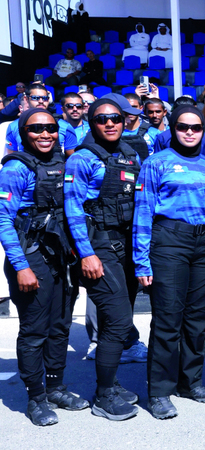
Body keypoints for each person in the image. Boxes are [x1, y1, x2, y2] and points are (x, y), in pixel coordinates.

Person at [0, 109, 87, 426]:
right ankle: (35, 398)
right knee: (35, 330)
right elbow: (3, 220)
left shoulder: (62, 164)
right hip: (31, 256)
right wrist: (21, 266)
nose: (45, 133)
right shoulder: (16, 167)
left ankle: (55, 387)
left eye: (51, 127)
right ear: (24, 133)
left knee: (61, 324)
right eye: (36, 128)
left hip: (61, 255)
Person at [132, 105, 205, 419]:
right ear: (172, 127)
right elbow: (143, 212)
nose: (190, 133)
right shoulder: (156, 163)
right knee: (168, 319)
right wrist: (141, 262)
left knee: (197, 319)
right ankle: (159, 391)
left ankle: (190, 381)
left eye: (196, 127)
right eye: (183, 127)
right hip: (169, 241)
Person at [65, 98, 142, 421]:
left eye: (115, 118)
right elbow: (72, 209)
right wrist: (86, 253)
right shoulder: (81, 159)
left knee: (121, 321)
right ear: (92, 122)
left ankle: (111, 381)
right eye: (102, 119)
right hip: (98, 247)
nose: (110, 124)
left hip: (126, 246)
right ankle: (104, 394)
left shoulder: (130, 154)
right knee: (117, 321)